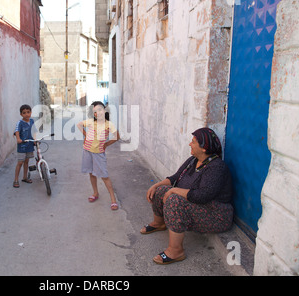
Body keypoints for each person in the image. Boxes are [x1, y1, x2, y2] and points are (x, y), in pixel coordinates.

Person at [141, 127, 233, 265]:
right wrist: (156, 185)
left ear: (204, 148)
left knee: (174, 200)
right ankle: (159, 223)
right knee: (161, 190)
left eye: (193, 142)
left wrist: (174, 191)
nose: (190, 144)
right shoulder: (193, 160)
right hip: (200, 205)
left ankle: (176, 251)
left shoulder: (216, 167)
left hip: (216, 214)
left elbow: (203, 196)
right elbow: (175, 178)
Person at [77, 101, 120, 210]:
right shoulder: (91, 122)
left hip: (99, 153)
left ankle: (113, 199)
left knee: (104, 176)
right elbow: (79, 124)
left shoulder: (108, 124)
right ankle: (95, 193)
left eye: (100, 109)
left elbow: (117, 136)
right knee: (91, 173)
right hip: (87, 151)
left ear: (104, 110)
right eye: (95, 112)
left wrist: (106, 144)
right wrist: (86, 136)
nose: (98, 113)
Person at [13, 104, 35, 188]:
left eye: (28, 112)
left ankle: (25, 177)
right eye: (24, 113)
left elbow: (34, 130)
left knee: (26, 162)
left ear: (31, 112)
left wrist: (35, 140)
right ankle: (15, 180)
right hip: (22, 146)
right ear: (21, 114)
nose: (26, 114)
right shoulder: (20, 123)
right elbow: (16, 131)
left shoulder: (32, 121)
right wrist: (18, 139)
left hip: (29, 145)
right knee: (20, 162)